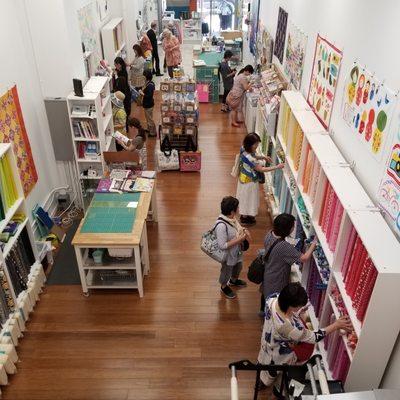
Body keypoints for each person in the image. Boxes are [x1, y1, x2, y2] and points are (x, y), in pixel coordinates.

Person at [258, 282, 352, 387]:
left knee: (265, 362)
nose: (300, 308)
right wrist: (336, 325)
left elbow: (284, 313)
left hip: (267, 341)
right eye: (298, 306)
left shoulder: (273, 299)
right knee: (275, 370)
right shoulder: (287, 328)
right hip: (279, 353)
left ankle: (262, 381)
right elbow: (313, 337)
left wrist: (298, 311)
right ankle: (268, 384)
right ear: (290, 306)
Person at [261, 213, 317, 314]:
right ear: (287, 229)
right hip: (277, 279)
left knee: (267, 297)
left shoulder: (269, 234)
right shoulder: (284, 246)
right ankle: (270, 319)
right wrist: (313, 245)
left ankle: (264, 312)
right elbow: (304, 258)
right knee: (275, 303)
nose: (293, 228)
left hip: (268, 273)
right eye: (292, 226)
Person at [236, 133, 284, 225]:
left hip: (243, 179)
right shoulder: (249, 158)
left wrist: (263, 157)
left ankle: (244, 215)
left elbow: (253, 155)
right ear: (250, 144)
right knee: (249, 199)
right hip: (249, 182)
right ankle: (246, 217)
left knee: (244, 198)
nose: (257, 146)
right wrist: (277, 167)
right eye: (256, 145)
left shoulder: (243, 149)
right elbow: (261, 169)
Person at [215, 196, 251, 299]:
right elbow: (222, 246)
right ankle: (224, 286)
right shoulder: (221, 226)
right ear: (232, 211)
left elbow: (237, 228)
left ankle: (233, 280)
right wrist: (239, 240)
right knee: (226, 271)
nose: (239, 209)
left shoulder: (232, 219)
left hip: (236, 251)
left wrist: (243, 230)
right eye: (237, 207)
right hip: (228, 255)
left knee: (238, 267)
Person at [140, 70, 157, 137]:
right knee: (148, 118)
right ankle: (149, 129)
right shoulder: (149, 83)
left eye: (143, 76)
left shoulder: (149, 85)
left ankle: (153, 133)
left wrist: (142, 93)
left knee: (150, 119)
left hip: (148, 104)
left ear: (146, 77)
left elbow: (149, 95)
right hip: (148, 104)